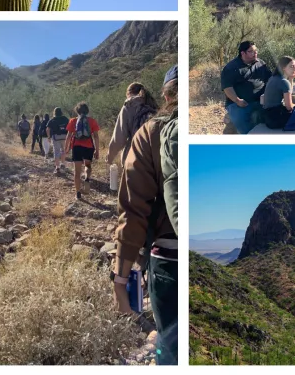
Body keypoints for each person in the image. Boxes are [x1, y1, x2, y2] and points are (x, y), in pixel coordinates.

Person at [114, 66, 178, 365]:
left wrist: (120, 279)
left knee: (172, 347)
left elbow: (133, 210)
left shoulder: (151, 128)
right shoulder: (155, 115)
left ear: (167, 95)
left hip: (169, 259)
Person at [221, 40, 274, 134]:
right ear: (243, 53)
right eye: (251, 51)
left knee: (271, 120)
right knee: (245, 129)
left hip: (260, 101)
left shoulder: (260, 63)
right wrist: (237, 100)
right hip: (240, 104)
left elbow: (270, 79)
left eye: (256, 50)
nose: (255, 53)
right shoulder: (231, 68)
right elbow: (227, 88)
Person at [107, 82, 158, 171]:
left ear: (128, 93)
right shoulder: (154, 106)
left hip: (134, 158)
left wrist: (110, 157)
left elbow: (119, 139)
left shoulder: (129, 106)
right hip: (155, 160)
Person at [65, 102, 100, 200]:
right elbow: (96, 136)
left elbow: (68, 136)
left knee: (77, 171)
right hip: (89, 147)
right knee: (87, 165)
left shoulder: (73, 121)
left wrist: (66, 148)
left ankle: (78, 193)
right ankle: (87, 179)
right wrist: (97, 151)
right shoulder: (92, 121)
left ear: (77, 111)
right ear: (87, 111)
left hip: (76, 147)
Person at [263, 56, 295, 129]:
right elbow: (289, 107)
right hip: (277, 118)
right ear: (283, 68)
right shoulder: (284, 82)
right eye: (291, 66)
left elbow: (289, 92)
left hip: (268, 117)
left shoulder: (273, 77)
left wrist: (291, 79)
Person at [46, 107, 70, 174]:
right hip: (65, 137)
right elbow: (70, 126)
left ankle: (57, 168)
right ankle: (63, 163)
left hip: (56, 137)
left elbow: (47, 129)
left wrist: (48, 137)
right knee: (63, 151)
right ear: (61, 112)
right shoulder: (65, 118)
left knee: (56, 152)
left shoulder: (53, 119)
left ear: (54, 112)